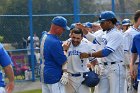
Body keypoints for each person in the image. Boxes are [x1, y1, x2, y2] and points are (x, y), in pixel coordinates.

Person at [77, 11, 125, 93]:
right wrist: (84, 30)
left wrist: (89, 55)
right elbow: (94, 40)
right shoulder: (105, 33)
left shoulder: (116, 34)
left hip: (115, 67)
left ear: (109, 22)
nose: (101, 24)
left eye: (102, 22)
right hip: (105, 67)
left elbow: (106, 52)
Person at [40, 16, 69, 93]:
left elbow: (45, 33)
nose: (63, 31)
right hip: (54, 76)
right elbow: (62, 60)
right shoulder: (54, 42)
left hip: (44, 75)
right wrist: (64, 49)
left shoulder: (44, 35)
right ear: (57, 28)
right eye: (63, 29)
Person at [63, 28, 97, 93]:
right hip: (69, 77)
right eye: (73, 37)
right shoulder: (65, 45)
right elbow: (62, 60)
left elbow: (93, 60)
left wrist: (96, 66)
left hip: (83, 78)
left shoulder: (87, 45)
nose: (75, 40)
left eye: (78, 38)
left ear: (82, 38)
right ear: (70, 36)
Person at [123, 10, 140, 93]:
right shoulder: (128, 33)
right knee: (132, 89)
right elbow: (125, 52)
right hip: (134, 65)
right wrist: (130, 67)